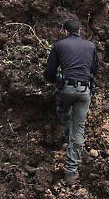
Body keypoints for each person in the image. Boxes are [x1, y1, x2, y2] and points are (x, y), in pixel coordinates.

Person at [42, 17, 100, 184]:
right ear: (79, 31)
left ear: (65, 31)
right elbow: (94, 70)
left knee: (62, 109)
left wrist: (58, 80)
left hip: (66, 89)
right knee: (78, 129)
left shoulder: (59, 45)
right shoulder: (91, 46)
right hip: (84, 91)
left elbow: (49, 72)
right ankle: (71, 172)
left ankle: (68, 138)